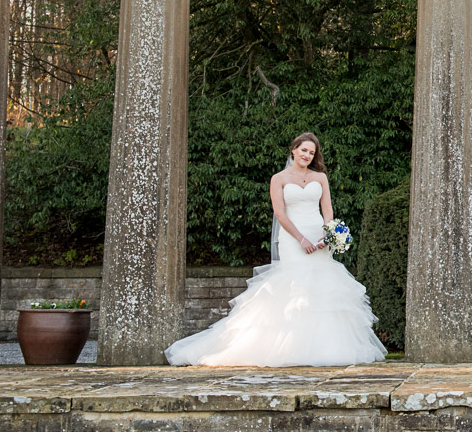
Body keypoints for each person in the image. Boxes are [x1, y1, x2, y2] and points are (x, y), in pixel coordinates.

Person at [165, 132, 388, 367]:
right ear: (294, 149)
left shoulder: (320, 177)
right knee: (295, 285)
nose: (307, 155)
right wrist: (301, 239)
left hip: (317, 234)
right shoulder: (279, 178)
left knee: (322, 286)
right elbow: (280, 213)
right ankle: (286, 347)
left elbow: (328, 208)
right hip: (293, 237)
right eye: (304, 150)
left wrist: (326, 234)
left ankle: (323, 347)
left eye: (312, 153)